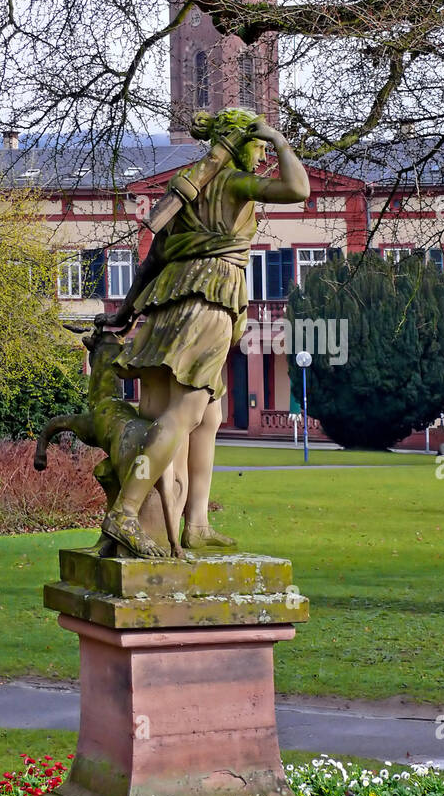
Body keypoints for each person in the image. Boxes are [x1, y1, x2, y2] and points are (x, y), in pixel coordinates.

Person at [94, 106, 310, 557]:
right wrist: (278, 139)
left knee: (204, 414)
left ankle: (194, 522)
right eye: (254, 146)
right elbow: (298, 188)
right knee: (184, 413)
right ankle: (128, 514)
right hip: (208, 300)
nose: (259, 154)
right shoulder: (231, 182)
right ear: (241, 144)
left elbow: (153, 260)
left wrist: (125, 314)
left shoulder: (183, 189)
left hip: (165, 302)